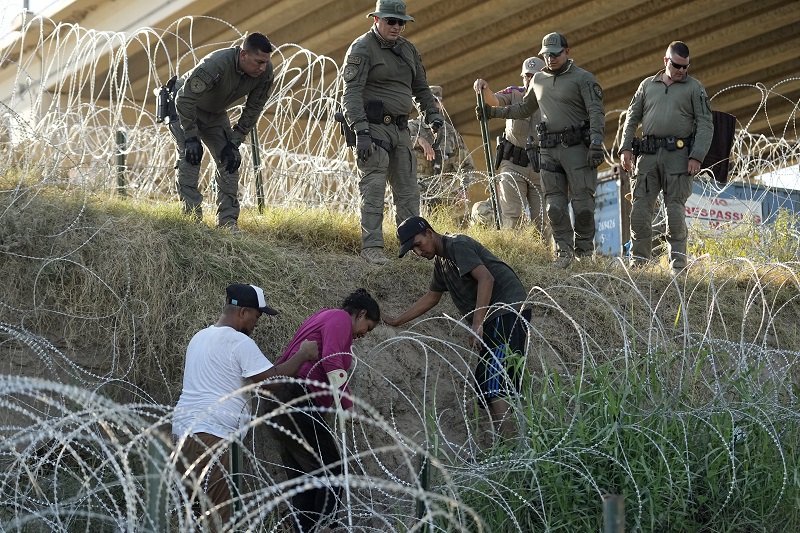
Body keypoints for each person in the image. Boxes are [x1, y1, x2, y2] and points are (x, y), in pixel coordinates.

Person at [172, 283, 319, 531]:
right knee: (220, 520)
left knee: (191, 517)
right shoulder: (238, 342)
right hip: (213, 439)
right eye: (257, 315)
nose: (257, 322)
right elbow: (271, 381)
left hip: (182, 436)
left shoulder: (199, 337)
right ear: (242, 312)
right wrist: (303, 354)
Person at [383, 216, 530, 438]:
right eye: (412, 249)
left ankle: (512, 449)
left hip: (507, 310)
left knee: (495, 381)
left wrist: (477, 322)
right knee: (487, 381)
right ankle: (509, 444)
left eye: (417, 245)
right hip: (497, 316)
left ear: (429, 233)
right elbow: (432, 297)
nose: (418, 252)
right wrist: (397, 320)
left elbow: (486, 278)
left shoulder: (456, 245)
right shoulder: (442, 263)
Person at [475, 33, 605, 268]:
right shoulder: (538, 80)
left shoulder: (583, 79)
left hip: (577, 149)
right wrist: (492, 113)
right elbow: (524, 108)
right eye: (546, 55)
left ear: (567, 51)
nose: (550, 59)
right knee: (554, 207)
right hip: (549, 151)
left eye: (555, 54)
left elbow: (596, 112)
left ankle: (584, 254)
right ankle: (563, 253)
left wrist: (596, 143)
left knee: (583, 206)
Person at [266, 288, 381, 533]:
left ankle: (306, 528)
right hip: (295, 398)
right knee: (332, 468)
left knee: (306, 478)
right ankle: (325, 526)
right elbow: (331, 360)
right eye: (368, 327)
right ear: (360, 314)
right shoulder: (339, 318)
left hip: (280, 401)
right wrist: (346, 406)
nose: (364, 334)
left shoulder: (324, 317)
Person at [342, 0, 444, 265]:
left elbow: (421, 89)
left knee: (409, 193)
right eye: (391, 21)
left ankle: (413, 251)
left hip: (400, 129)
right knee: (373, 189)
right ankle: (372, 247)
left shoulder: (408, 50)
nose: (397, 27)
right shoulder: (363, 47)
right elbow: (350, 94)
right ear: (376, 20)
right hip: (373, 128)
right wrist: (360, 130)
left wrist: (433, 117)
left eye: (401, 22)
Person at [619, 41, 714, 274]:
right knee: (640, 212)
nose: (682, 71)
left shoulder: (694, 88)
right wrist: (625, 148)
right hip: (648, 157)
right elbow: (632, 118)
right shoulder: (647, 85)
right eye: (677, 65)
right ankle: (638, 267)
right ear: (665, 61)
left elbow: (705, 124)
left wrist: (697, 156)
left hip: (678, 158)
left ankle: (678, 268)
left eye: (686, 67)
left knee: (674, 213)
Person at [170, 32, 275, 230]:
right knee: (190, 158)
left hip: (214, 114)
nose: (262, 67)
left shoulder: (265, 72)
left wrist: (235, 142)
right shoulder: (217, 63)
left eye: (265, 62)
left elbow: (254, 109)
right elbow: (184, 99)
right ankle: (191, 222)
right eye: (258, 61)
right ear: (243, 55)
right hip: (184, 108)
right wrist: (191, 137)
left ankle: (227, 223)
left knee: (230, 161)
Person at [474, 57, 551, 239]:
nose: (530, 80)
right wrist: (483, 87)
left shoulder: (552, 99)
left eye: (534, 76)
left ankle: (544, 261)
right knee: (512, 215)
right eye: (527, 76)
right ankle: (513, 259)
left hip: (541, 168)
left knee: (543, 221)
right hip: (514, 165)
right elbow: (493, 100)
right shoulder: (515, 93)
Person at [409, 85, 475, 213]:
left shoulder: (450, 133)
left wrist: (464, 188)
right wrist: (418, 140)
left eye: (436, 102)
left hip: (444, 195)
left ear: (441, 104)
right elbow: (396, 145)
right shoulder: (412, 128)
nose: (433, 105)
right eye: (429, 101)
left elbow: (467, 164)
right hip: (417, 193)